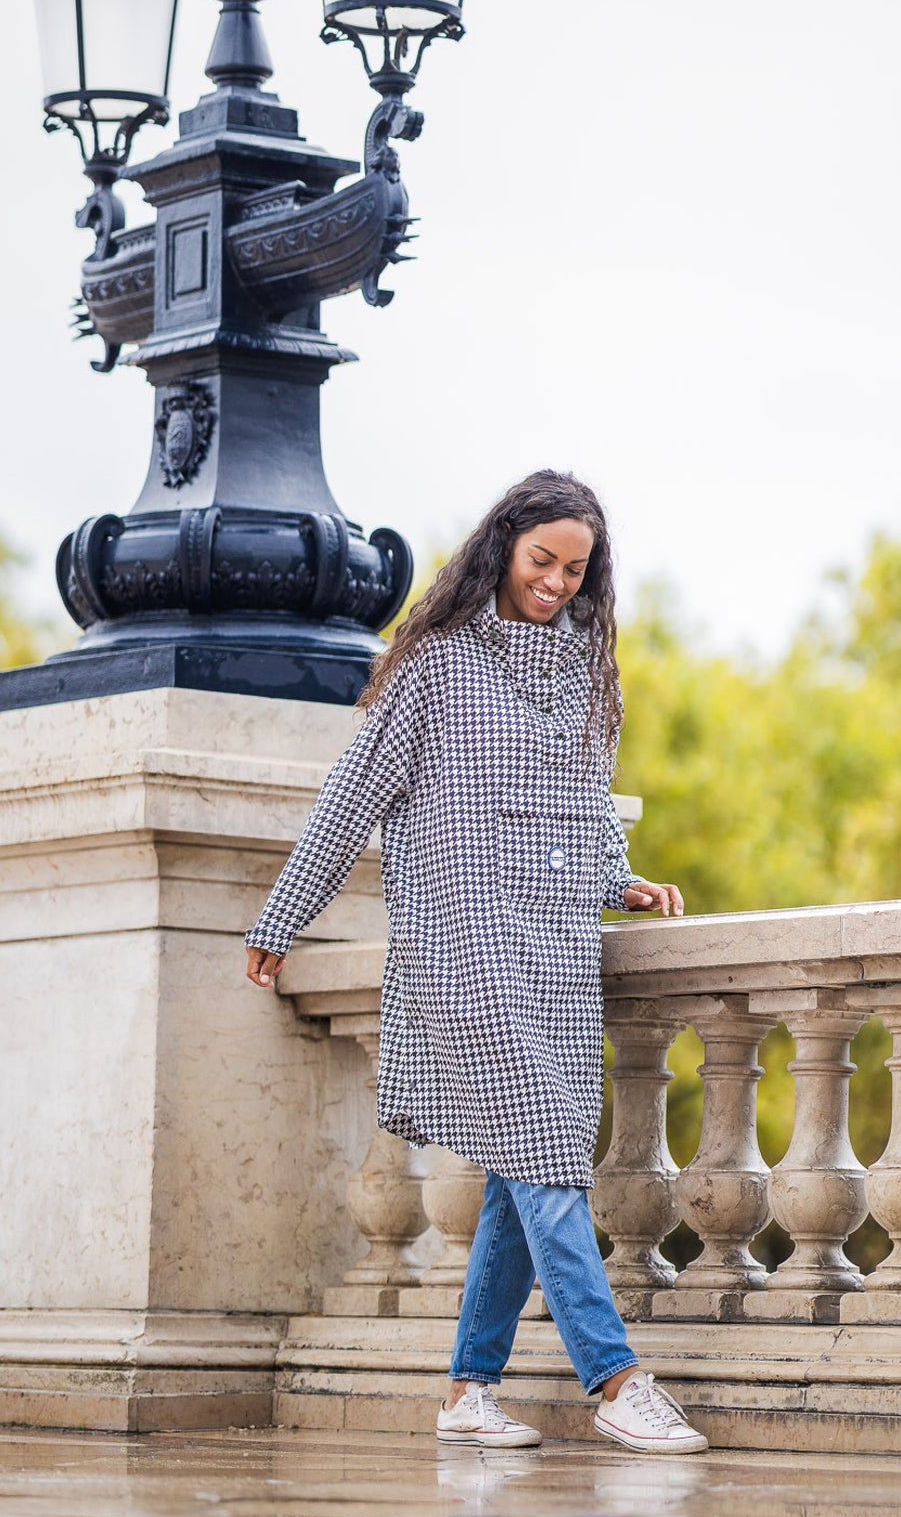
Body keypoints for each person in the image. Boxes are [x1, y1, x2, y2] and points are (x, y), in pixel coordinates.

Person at [245, 469, 707, 1455]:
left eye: (575, 570)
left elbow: (582, 797)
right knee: (545, 1149)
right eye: (542, 560)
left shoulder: (586, 667)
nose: (555, 582)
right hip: (458, 944)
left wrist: (615, 877)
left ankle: (465, 1394)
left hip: (550, 946)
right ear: (501, 545)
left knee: (520, 1162)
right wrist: (282, 916)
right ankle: (615, 1379)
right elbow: (351, 795)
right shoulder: (434, 666)